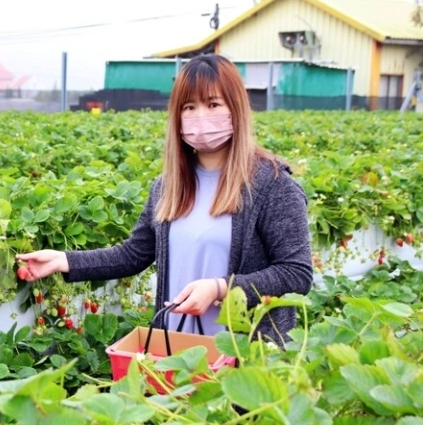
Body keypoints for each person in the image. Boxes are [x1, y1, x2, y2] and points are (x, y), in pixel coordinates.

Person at [16, 54, 313, 345]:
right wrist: (62, 260)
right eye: (189, 107)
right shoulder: (169, 186)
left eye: (213, 104)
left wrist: (222, 288)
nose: (201, 117)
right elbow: (133, 254)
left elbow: (296, 272)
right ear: (177, 116)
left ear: (235, 109)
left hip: (245, 353)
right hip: (175, 349)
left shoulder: (272, 185)